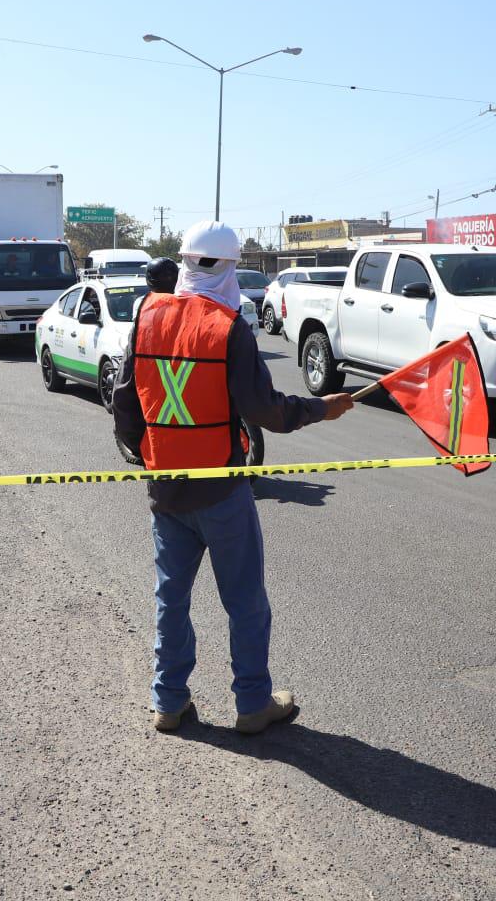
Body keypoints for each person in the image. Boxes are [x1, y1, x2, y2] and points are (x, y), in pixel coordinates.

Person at [112, 221, 354, 735]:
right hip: (221, 491)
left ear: (183, 262)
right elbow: (265, 410)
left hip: (167, 489)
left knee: (170, 599)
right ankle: (252, 704)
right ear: (228, 268)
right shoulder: (229, 328)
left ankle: (168, 702)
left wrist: (145, 453)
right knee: (245, 601)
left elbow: (125, 400)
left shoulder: (146, 317)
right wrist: (320, 409)